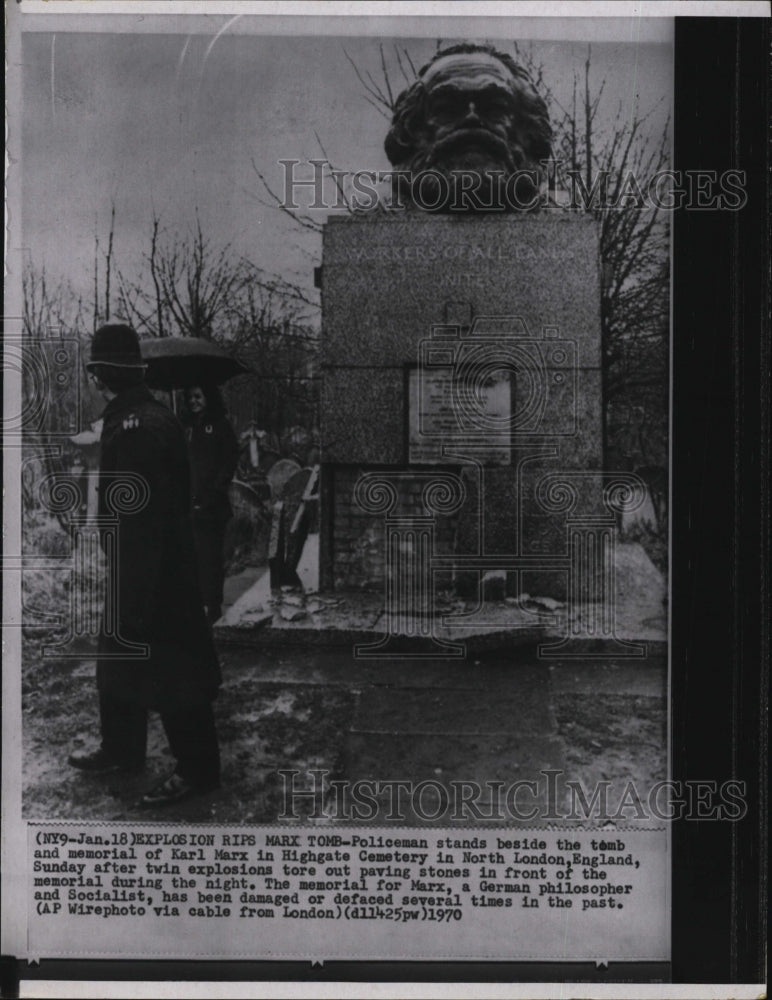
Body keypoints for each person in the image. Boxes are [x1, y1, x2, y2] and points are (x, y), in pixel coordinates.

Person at [68, 324, 221, 807]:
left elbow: (139, 522)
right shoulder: (145, 418)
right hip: (152, 570)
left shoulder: (136, 428)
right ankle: (121, 749)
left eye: (94, 372)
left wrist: (134, 594)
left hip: (151, 576)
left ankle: (197, 771)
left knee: (175, 675)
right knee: (117, 666)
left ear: (100, 375)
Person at [184, 384, 239, 624]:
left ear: (209, 398)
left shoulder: (220, 425)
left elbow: (229, 460)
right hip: (190, 503)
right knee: (192, 558)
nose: (193, 402)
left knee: (211, 558)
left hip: (213, 506)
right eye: (190, 398)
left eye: (198, 396)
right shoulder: (186, 427)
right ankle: (197, 605)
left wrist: (214, 491)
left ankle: (213, 606)